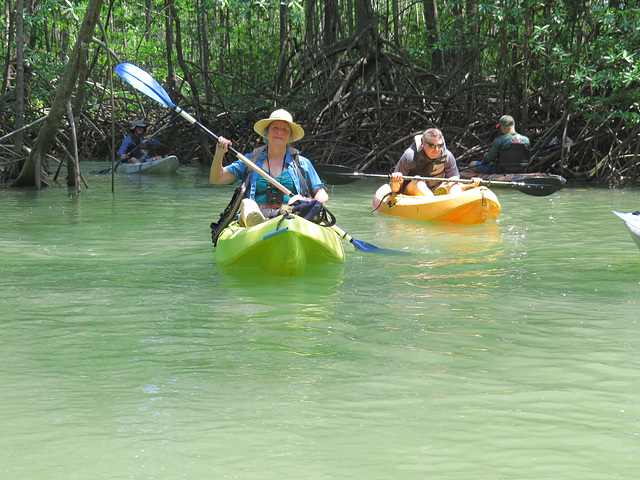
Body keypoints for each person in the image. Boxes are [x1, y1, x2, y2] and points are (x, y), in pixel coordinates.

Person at [209, 109, 328, 227]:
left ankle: (285, 215)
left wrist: (313, 204)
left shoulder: (302, 163)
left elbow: (322, 194)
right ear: (266, 134)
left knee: (296, 199)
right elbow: (217, 178)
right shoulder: (250, 161)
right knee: (247, 203)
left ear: (290, 137)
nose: (279, 132)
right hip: (257, 216)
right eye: (275, 128)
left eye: (285, 129)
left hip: (291, 216)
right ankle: (258, 224)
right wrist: (219, 154)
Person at [388, 128, 480, 197]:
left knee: (453, 181)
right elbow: (395, 189)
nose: (436, 149)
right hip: (412, 189)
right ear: (423, 144)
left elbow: (455, 183)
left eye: (440, 145)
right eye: (432, 145)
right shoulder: (410, 156)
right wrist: (395, 182)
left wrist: (470, 184)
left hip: (435, 189)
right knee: (418, 180)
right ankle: (434, 202)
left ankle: (458, 202)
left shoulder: (447, 156)